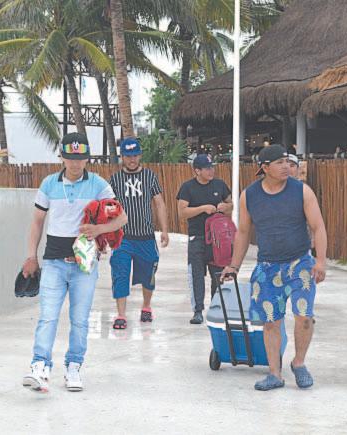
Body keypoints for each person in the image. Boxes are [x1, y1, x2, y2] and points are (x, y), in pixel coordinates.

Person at [21, 132, 127, 393]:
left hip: (84, 265)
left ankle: (74, 367)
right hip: (53, 262)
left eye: (80, 158)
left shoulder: (98, 184)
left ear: (87, 158)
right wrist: (31, 256)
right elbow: (37, 222)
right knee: (47, 317)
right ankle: (40, 367)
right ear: (62, 157)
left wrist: (99, 230)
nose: (75, 163)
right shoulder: (48, 184)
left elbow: (122, 218)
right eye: (70, 158)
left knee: (80, 320)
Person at [221, 144, 327, 391]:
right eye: (280, 163)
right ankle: (274, 374)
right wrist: (234, 266)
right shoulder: (249, 195)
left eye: (288, 162)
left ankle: (299, 363)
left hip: (300, 263)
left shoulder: (301, 191)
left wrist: (320, 261)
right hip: (267, 267)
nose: (286, 167)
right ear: (265, 167)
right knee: (270, 322)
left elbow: (318, 226)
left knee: (304, 317)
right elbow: (243, 232)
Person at [108, 137, 169, 329]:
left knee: (148, 274)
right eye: (128, 156)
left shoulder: (150, 176)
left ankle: (146, 306)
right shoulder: (115, 180)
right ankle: (121, 315)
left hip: (146, 237)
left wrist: (164, 230)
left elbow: (159, 203)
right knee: (120, 274)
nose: (132, 159)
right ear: (122, 157)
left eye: (135, 155)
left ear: (140, 155)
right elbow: (108, 208)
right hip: (122, 238)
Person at [177, 154, 232, 324]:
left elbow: (231, 205)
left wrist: (225, 206)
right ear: (197, 171)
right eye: (207, 168)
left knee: (218, 274)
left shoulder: (220, 185)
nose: (211, 171)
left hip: (217, 239)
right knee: (197, 275)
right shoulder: (187, 187)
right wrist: (202, 209)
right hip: (197, 238)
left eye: (212, 167)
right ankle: (198, 311)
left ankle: (217, 309)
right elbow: (182, 212)